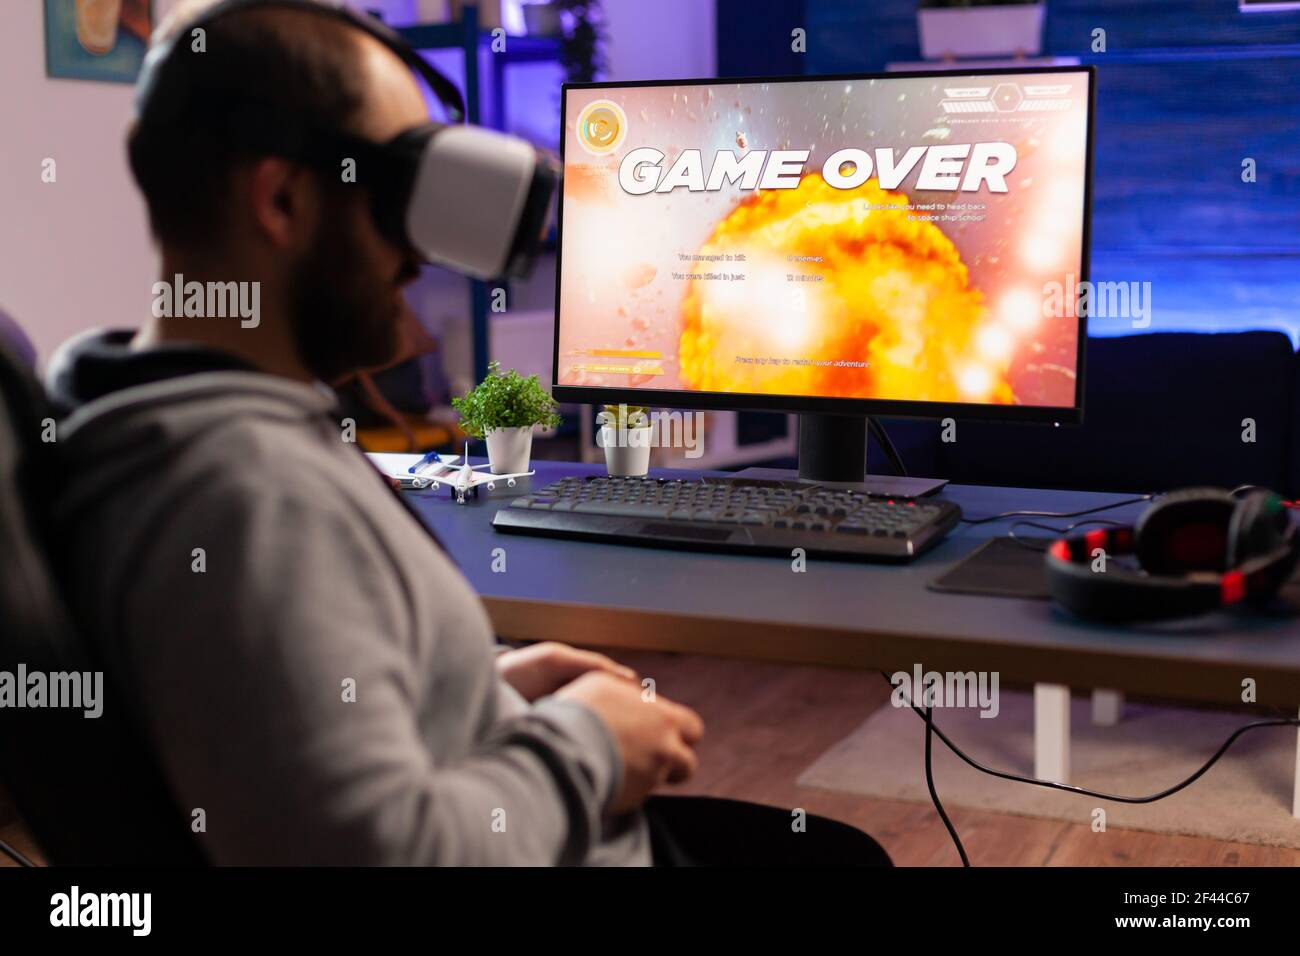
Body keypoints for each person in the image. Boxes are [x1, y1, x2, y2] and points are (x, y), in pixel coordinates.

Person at [47, 0, 889, 867]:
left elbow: (286, 721)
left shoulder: (151, 415)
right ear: (284, 199)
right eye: (396, 193)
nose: (421, 258)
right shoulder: (245, 492)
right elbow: (373, 854)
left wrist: (483, 694)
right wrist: (587, 748)